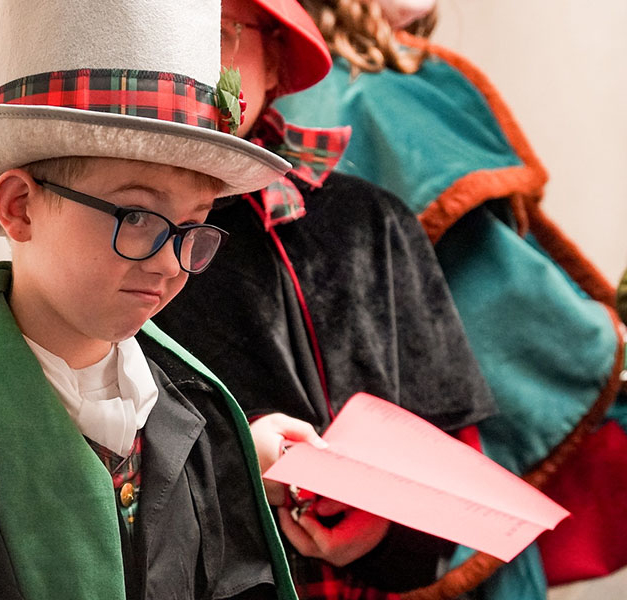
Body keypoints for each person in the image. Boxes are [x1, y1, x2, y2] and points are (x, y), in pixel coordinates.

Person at [0, 1, 300, 598]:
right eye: (137, 216)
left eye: (193, 228)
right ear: (19, 207)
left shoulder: (190, 409)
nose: (168, 261)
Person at [272, 1, 627, 598]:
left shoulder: (283, 97)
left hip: (327, 484)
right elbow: (493, 298)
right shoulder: (387, 95)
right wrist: (604, 339)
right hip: (443, 466)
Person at [153, 0, 497, 597]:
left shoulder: (375, 224)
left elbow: (453, 485)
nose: (185, 61)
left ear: (276, 62)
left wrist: (381, 529)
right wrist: (233, 466)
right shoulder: (107, 239)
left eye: (218, 33)